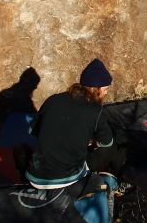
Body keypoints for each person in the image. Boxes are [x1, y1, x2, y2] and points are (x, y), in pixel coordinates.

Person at [26, 59, 127, 192]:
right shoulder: (95, 111)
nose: (106, 93)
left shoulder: (53, 100)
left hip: (35, 175)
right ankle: (115, 182)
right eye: (105, 89)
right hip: (67, 179)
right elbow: (106, 143)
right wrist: (91, 141)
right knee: (114, 146)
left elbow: (32, 132)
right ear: (94, 88)